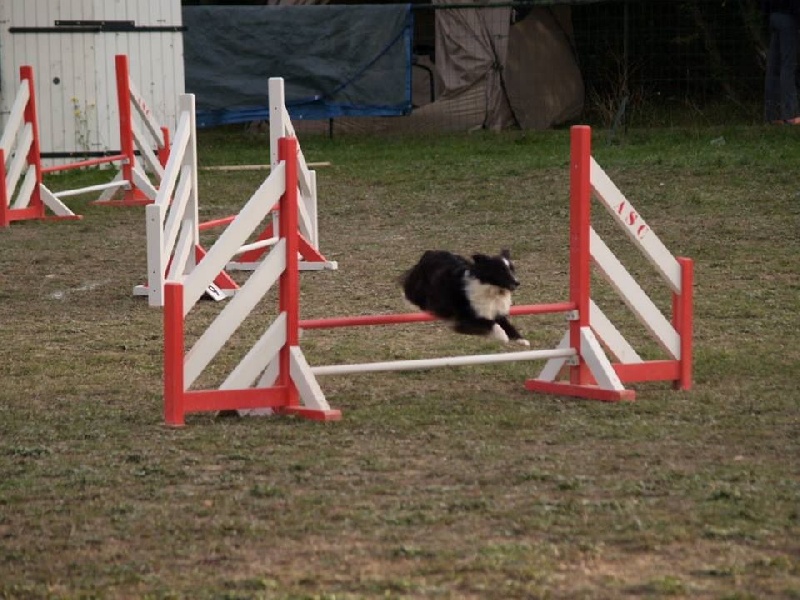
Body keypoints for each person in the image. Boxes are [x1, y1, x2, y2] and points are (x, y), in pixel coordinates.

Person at [760, 0, 800, 124]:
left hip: (774, 15)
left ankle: (773, 115)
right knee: (788, 66)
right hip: (790, 16)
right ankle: (791, 114)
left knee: (774, 66)